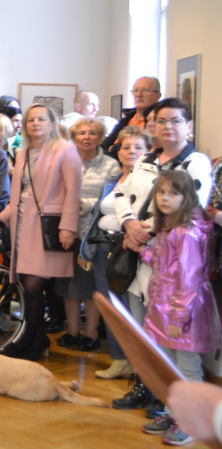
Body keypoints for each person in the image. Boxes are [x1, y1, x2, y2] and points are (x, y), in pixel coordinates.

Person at [110, 99, 212, 411]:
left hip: (172, 260)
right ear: (152, 126)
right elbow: (119, 194)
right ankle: (148, 388)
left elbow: (191, 205)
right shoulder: (143, 160)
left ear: (189, 126)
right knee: (144, 334)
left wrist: (146, 231)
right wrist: (129, 224)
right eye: (162, 121)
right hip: (140, 256)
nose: (168, 127)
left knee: (169, 339)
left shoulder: (196, 162)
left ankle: (174, 404)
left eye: (176, 121)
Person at [136, 170, 221, 445]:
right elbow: (164, 262)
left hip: (182, 310)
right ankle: (174, 413)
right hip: (165, 305)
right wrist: (143, 251)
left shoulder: (188, 232)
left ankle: (192, 420)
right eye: (161, 192)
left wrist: (179, 315)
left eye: (173, 193)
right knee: (170, 364)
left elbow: (189, 278)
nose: (165, 198)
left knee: (187, 367)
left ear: (187, 198)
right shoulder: (170, 225)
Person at [0, 103, 82, 361]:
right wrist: (3, 217)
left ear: (52, 124)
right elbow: (19, 191)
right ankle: (37, 340)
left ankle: (29, 340)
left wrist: (68, 226)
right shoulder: (22, 152)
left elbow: (73, 191)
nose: (35, 123)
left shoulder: (66, 150)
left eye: (41, 119)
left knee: (34, 286)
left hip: (48, 225)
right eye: (31, 120)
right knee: (26, 285)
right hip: (23, 223)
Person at [86, 126, 149, 380]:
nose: (131, 152)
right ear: (118, 152)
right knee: (111, 307)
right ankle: (120, 359)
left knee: (134, 309)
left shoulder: (150, 181)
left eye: (138, 147)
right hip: (104, 248)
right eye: (126, 147)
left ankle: (141, 366)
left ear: (148, 152)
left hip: (132, 250)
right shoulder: (113, 181)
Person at [54, 118, 120, 351]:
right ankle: (72, 331)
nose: (87, 137)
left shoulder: (111, 165)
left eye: (93, 133)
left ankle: (90, 333)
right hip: (66, 229)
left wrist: (85, 204)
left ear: (101, 138)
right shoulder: (65, 160)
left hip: (93, 232)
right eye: (82, 133)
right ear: (74, 137)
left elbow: (112, 198)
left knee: (91, 286)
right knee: (68, 285)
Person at [103, 77, 162, 156]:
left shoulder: (157, 122)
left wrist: (114, 148)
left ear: (158, 96)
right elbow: (104, 147)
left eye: (144, 90)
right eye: (135, 90)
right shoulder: (125, 120)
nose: (138, 95)